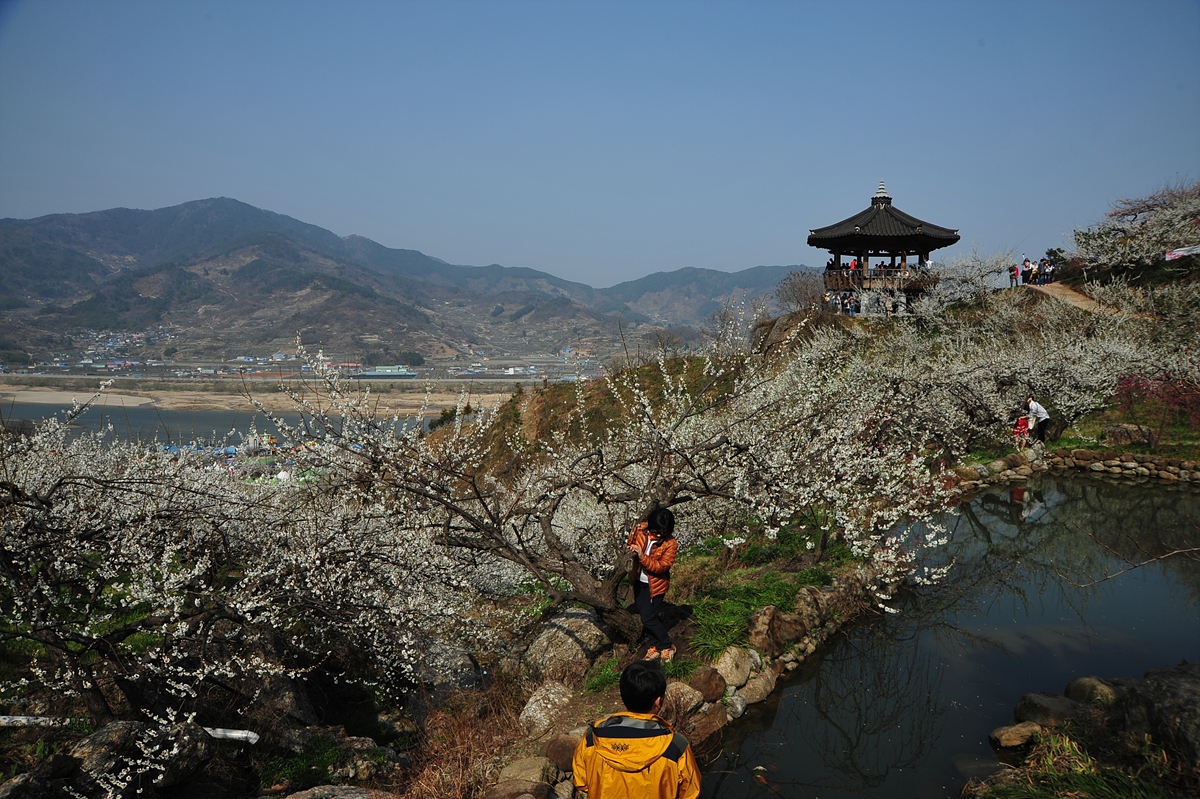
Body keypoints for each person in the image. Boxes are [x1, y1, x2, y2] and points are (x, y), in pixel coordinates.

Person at [573, 660, 701, 799]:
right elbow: (691, 793)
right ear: (658, 701)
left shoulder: (592, 738)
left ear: (623, 695)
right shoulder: (675, 746)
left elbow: (581, 782)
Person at [627, 507, 678, 662]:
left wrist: (642, 557)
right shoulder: (640, 529)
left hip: (655, 584)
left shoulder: (670, 543)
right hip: (638, 579)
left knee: (648, 618)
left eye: (663, 532)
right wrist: (631, 548)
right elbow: (630, 543)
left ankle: (667, 645)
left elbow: (662, 567)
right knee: (646, 615)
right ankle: (654, 645)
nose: (659, 535)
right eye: (656, 531)